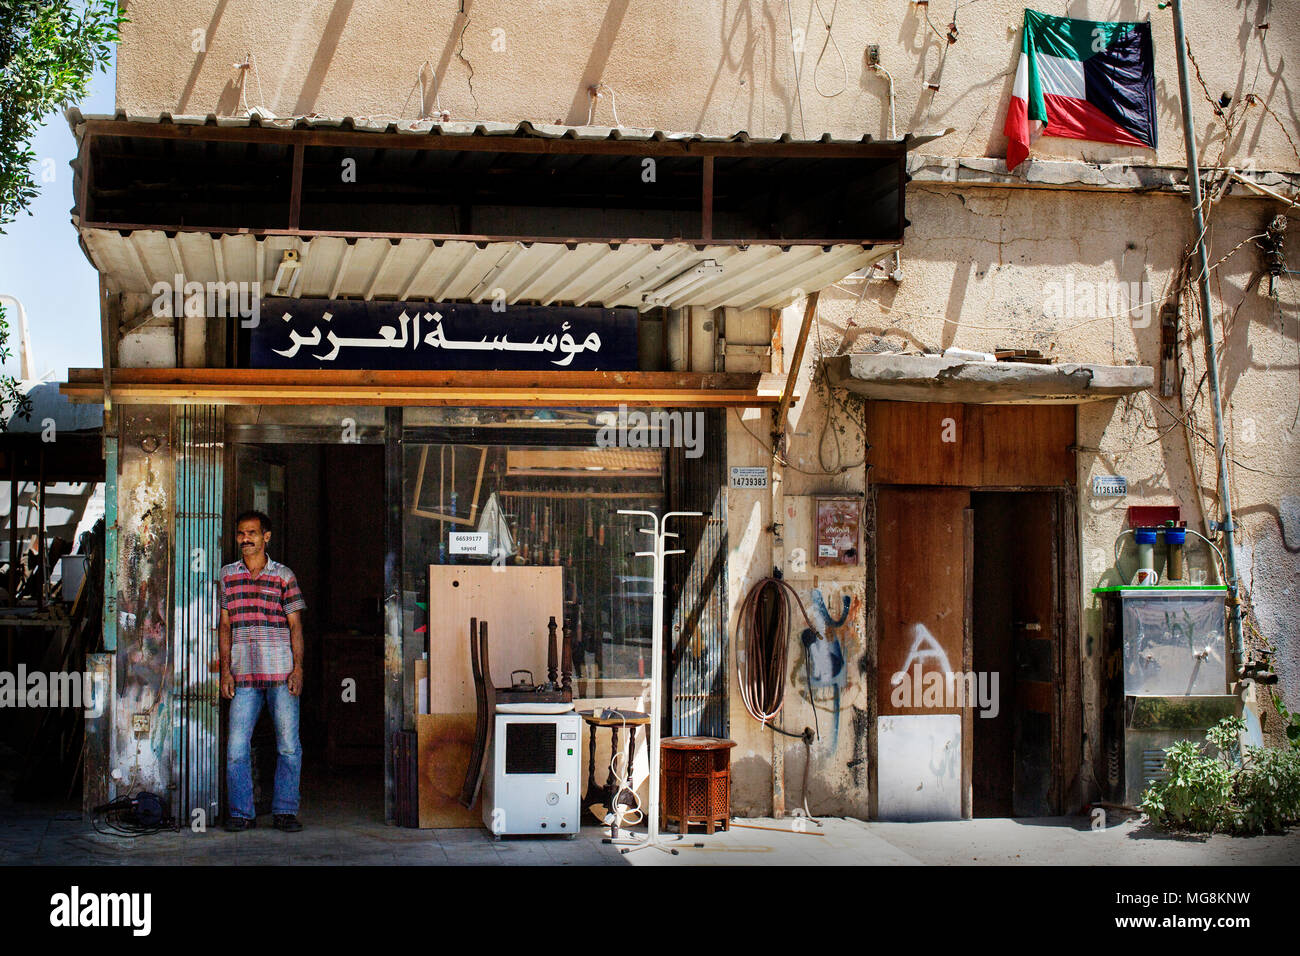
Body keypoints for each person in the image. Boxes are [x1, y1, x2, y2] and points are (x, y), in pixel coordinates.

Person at [219, 510, 306, 832]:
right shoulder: (228, 576)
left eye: (252, 533)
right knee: (236, 749)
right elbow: (224, 626)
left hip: (281, 675)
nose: (246, 539)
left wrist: (298, 669)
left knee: (288, 746)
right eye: (241, 533)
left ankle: (285, 811)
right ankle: (242, 814)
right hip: (243, 676)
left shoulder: (284, 576)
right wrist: (226, 672)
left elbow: (295, 626)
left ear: (266, 537)